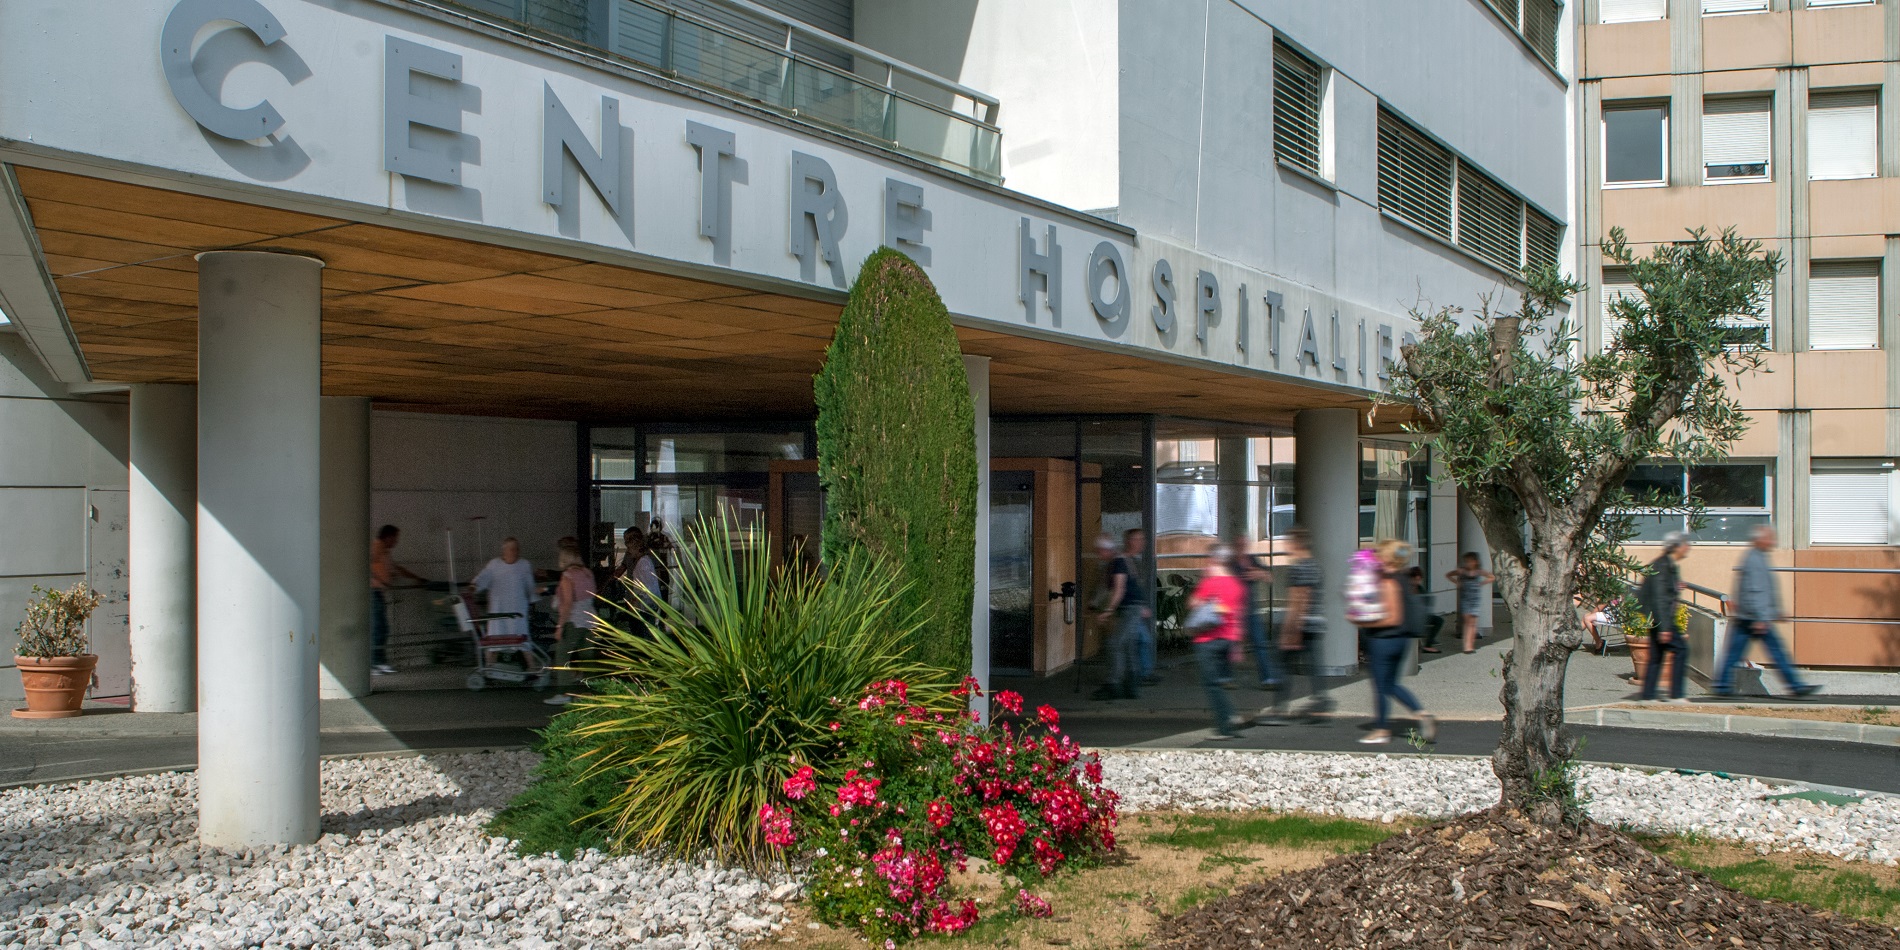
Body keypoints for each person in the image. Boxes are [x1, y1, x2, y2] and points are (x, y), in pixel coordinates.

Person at [1715, 526, 1820, 699]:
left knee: (1735, 652)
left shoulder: (1756, 558)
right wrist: (1760, 618)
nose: (1773, 541)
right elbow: (1755, 591)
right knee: (1776, 652)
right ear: (1760, 539)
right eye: (1770, 538)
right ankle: (1795, 687)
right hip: (1754, 618)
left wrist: (1774, 611)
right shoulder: (1755, 560)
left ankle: (1722, 686)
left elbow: (1763, 590)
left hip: (1752, 616)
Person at [1356, 539, 1437, 745]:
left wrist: (1366, 619)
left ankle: (1382, 730)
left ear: (1386, 558)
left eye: (1379, 555)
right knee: (1390, 684)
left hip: (1384, 639)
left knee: (1381, 687)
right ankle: (1421, 713)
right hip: (1400, 641)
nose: (1375, 559)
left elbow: (1392, 617)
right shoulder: (1403, 579)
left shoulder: (1389, 582)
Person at [1263, 527, 1333, 724]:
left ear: (1297, 544)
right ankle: (1322, 703)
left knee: (1284, 667)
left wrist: (1290, 631)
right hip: (1316, 623)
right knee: (1315, 666)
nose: (1286, 546)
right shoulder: (1315, 566)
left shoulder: (1298, 567)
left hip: (1301, 625)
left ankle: (1279, 711)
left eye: (1289, 542)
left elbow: (1298, 600)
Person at [1188, 544, 1250, 740]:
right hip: (1228, 639)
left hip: (1207, 639)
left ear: (1213, 560)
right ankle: (1230, 714)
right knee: (1220, 682)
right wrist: (1238, 645)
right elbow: (1239, 615)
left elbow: (1193, 603)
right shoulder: (1237, 585)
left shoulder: (1210, 583)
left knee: (1212, 684)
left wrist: (1204, 583)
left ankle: (1226, 726)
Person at [1092, 529, 1152, 701]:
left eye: (1100, 551)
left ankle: (1114, 685)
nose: (1098, 554)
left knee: (1115, 644)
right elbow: (1118, 587)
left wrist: (1107, 611)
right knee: (1129, 646)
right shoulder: (1124, 560)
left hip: (1130, 609)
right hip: (1132, 608)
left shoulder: (1119, 561)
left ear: (1106, 550)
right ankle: (1131, 687)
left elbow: (1119, 589)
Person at [1638, 532, 1693, 703]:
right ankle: (1676, 694)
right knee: (1681, 650)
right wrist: (1664, 628)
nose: (1688, 548)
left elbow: (1664, 591)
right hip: (1661, 619)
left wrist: (1676, 587)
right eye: (1685, 545)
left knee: (1656, 657)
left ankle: (1647, 696)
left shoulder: (1667, 565)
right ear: (1676, 546)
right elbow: (1660, 598)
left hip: (1657, 618)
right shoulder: (1662, 566)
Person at [545, 547, 600, 707]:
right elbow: (593, 595)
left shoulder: (567, 577)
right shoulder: (588, 574)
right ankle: (594, 692)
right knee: (588, 657)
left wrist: (560, 626)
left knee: (562, 655)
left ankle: (564, 693)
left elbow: (568, 603)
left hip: (574, 621)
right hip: (590, 620)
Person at [369, 524, 425, 676]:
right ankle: (375, 663)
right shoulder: (377, 547)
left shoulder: (384, 552)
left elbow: (396, 569)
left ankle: (379, 662)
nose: (396, 541)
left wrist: (416, 578)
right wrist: (378, 582)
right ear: (388, 537)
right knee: (379, 627)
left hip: (378, 592)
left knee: (382, 627)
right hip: (373, 592)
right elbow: (365, 567)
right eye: (395, 538)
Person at [1230, 538, 1279, 690]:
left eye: (1244, 545)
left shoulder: (1252, 561)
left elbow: (1270, 577)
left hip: (1250, 611)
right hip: (1233, 612)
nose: (1242, 548)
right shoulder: (1230, 563)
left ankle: (1267, 679)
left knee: (1260, 644)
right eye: (1239, 545)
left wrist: (1258, 573)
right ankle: (1226, 678)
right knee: (1230, 646)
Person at [470, 538, 537, 640]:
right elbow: (483, 577)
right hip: (499, 611)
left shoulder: (524, 565)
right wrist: (474, 586)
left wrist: (534, 596)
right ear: (504, 551)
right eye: (512, 549)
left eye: (517, 549)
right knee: (494, 643)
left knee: (524, 643)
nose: (515, 552)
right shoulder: (494, 565)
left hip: (518, 612)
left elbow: (530, 586)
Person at [1445, 552, 1496, 654]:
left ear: (1475, 562)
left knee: (1473, 623)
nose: (1468, 563)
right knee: (1468, 623)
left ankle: (1470, 645)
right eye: (1467, 561)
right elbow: (1449, 575)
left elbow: (1491, 577)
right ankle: (1467, 645)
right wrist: (1457, 582)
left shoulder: (1478, 571)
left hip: (1475, 599)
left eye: (1470, 561)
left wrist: (1482, 583)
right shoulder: (1462, 571)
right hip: (1465, 599)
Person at [1410, 567, 1447, 654]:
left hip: (1420, 615)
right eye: (1415, 579)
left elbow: (1426, 603)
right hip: (1410, 617)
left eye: (1419, 579)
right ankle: (1426, 643)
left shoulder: (1420, 589)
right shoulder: (1406, 589)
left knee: (1438, 620)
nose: (1417, 582)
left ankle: (1428, 643)